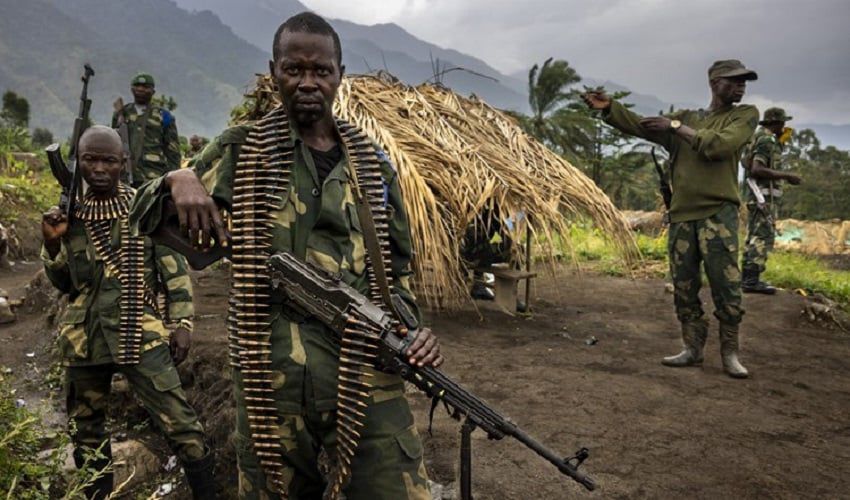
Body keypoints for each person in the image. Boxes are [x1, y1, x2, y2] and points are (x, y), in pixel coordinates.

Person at [130, 12, 442, 499]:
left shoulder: (372, 165)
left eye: (321, 70)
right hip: (269, 375)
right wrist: (177, 178)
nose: (308, 82)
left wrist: (413, 330)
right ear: (274, 72)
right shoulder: (243, 150)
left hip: (362, 368)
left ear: (339, 75)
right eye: (294, 69)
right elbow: (140, 212)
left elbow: (397, 270)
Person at [41, 126, 215, 499]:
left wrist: (182, 323)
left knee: (183, 427)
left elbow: (174, 272)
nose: (99, 168)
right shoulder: (70, 214)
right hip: (84, 340)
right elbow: (65, 283)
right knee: (86, 433)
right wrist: (52, 245)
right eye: (90, 160)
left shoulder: (144, 207)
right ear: (78, 162)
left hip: (142, 333)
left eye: (108, 160)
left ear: (123, 162)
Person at [583, 59, 760, 379]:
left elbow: (719, 146)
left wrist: (674, 127)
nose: (741, 87)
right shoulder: (687, 118)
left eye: (744, 82)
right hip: (681, 215)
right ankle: (692, 348)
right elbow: (643, 126)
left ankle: (730, 352)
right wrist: (610, 109)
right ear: (714, 83)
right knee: (684, 285)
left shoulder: (744, 115)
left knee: (726, 285)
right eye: (734, 81)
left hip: (719, 214)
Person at [740, 107, 802, 294]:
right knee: (762, 237)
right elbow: (757, 169)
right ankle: (751, 282)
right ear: (777, 123)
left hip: (757, 196)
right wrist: (787, 176)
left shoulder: (759, 137)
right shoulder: (766, 140)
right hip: (762, 197)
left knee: (754, 237)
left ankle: (748, 278)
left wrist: (780, 142)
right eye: (782, 123)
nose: (784, 126)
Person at [111, 73, 181, 187]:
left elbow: (173, 151)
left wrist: (174, 178)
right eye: (137, 86)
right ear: (132, 89)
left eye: (145, 87)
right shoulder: (121, 113)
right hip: (124, 175)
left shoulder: (164, 115)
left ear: (153, 91)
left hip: (153, 176)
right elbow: (113, 142)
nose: (141, 89)